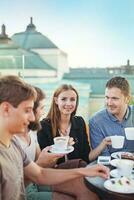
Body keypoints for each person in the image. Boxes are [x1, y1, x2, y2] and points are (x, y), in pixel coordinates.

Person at [0, 75, 109, 200]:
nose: (32, 117)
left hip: (38, 181)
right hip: (33, 187)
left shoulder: (13, 143)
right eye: (27, 110)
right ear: (6, 109)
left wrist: (85, 171)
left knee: (88, 190)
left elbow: (39, 174)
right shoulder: (38, 130)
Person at [37, 84, 110, 163]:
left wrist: (104, 143)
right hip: (55, 173)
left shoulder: (79, 122)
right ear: (56, 100)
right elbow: (45, 164)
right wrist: (63, 148)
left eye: (72, 99)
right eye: (63, 99)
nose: (68, 103)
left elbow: (86, 157)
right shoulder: (44, 126)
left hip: (78, 171)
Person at [89, 76, 134, 156]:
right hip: (110, 164)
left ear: (127, 99)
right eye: (107, 97)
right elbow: (104, 156)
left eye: (114, 98)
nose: (109, 103)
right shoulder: (96, 121)